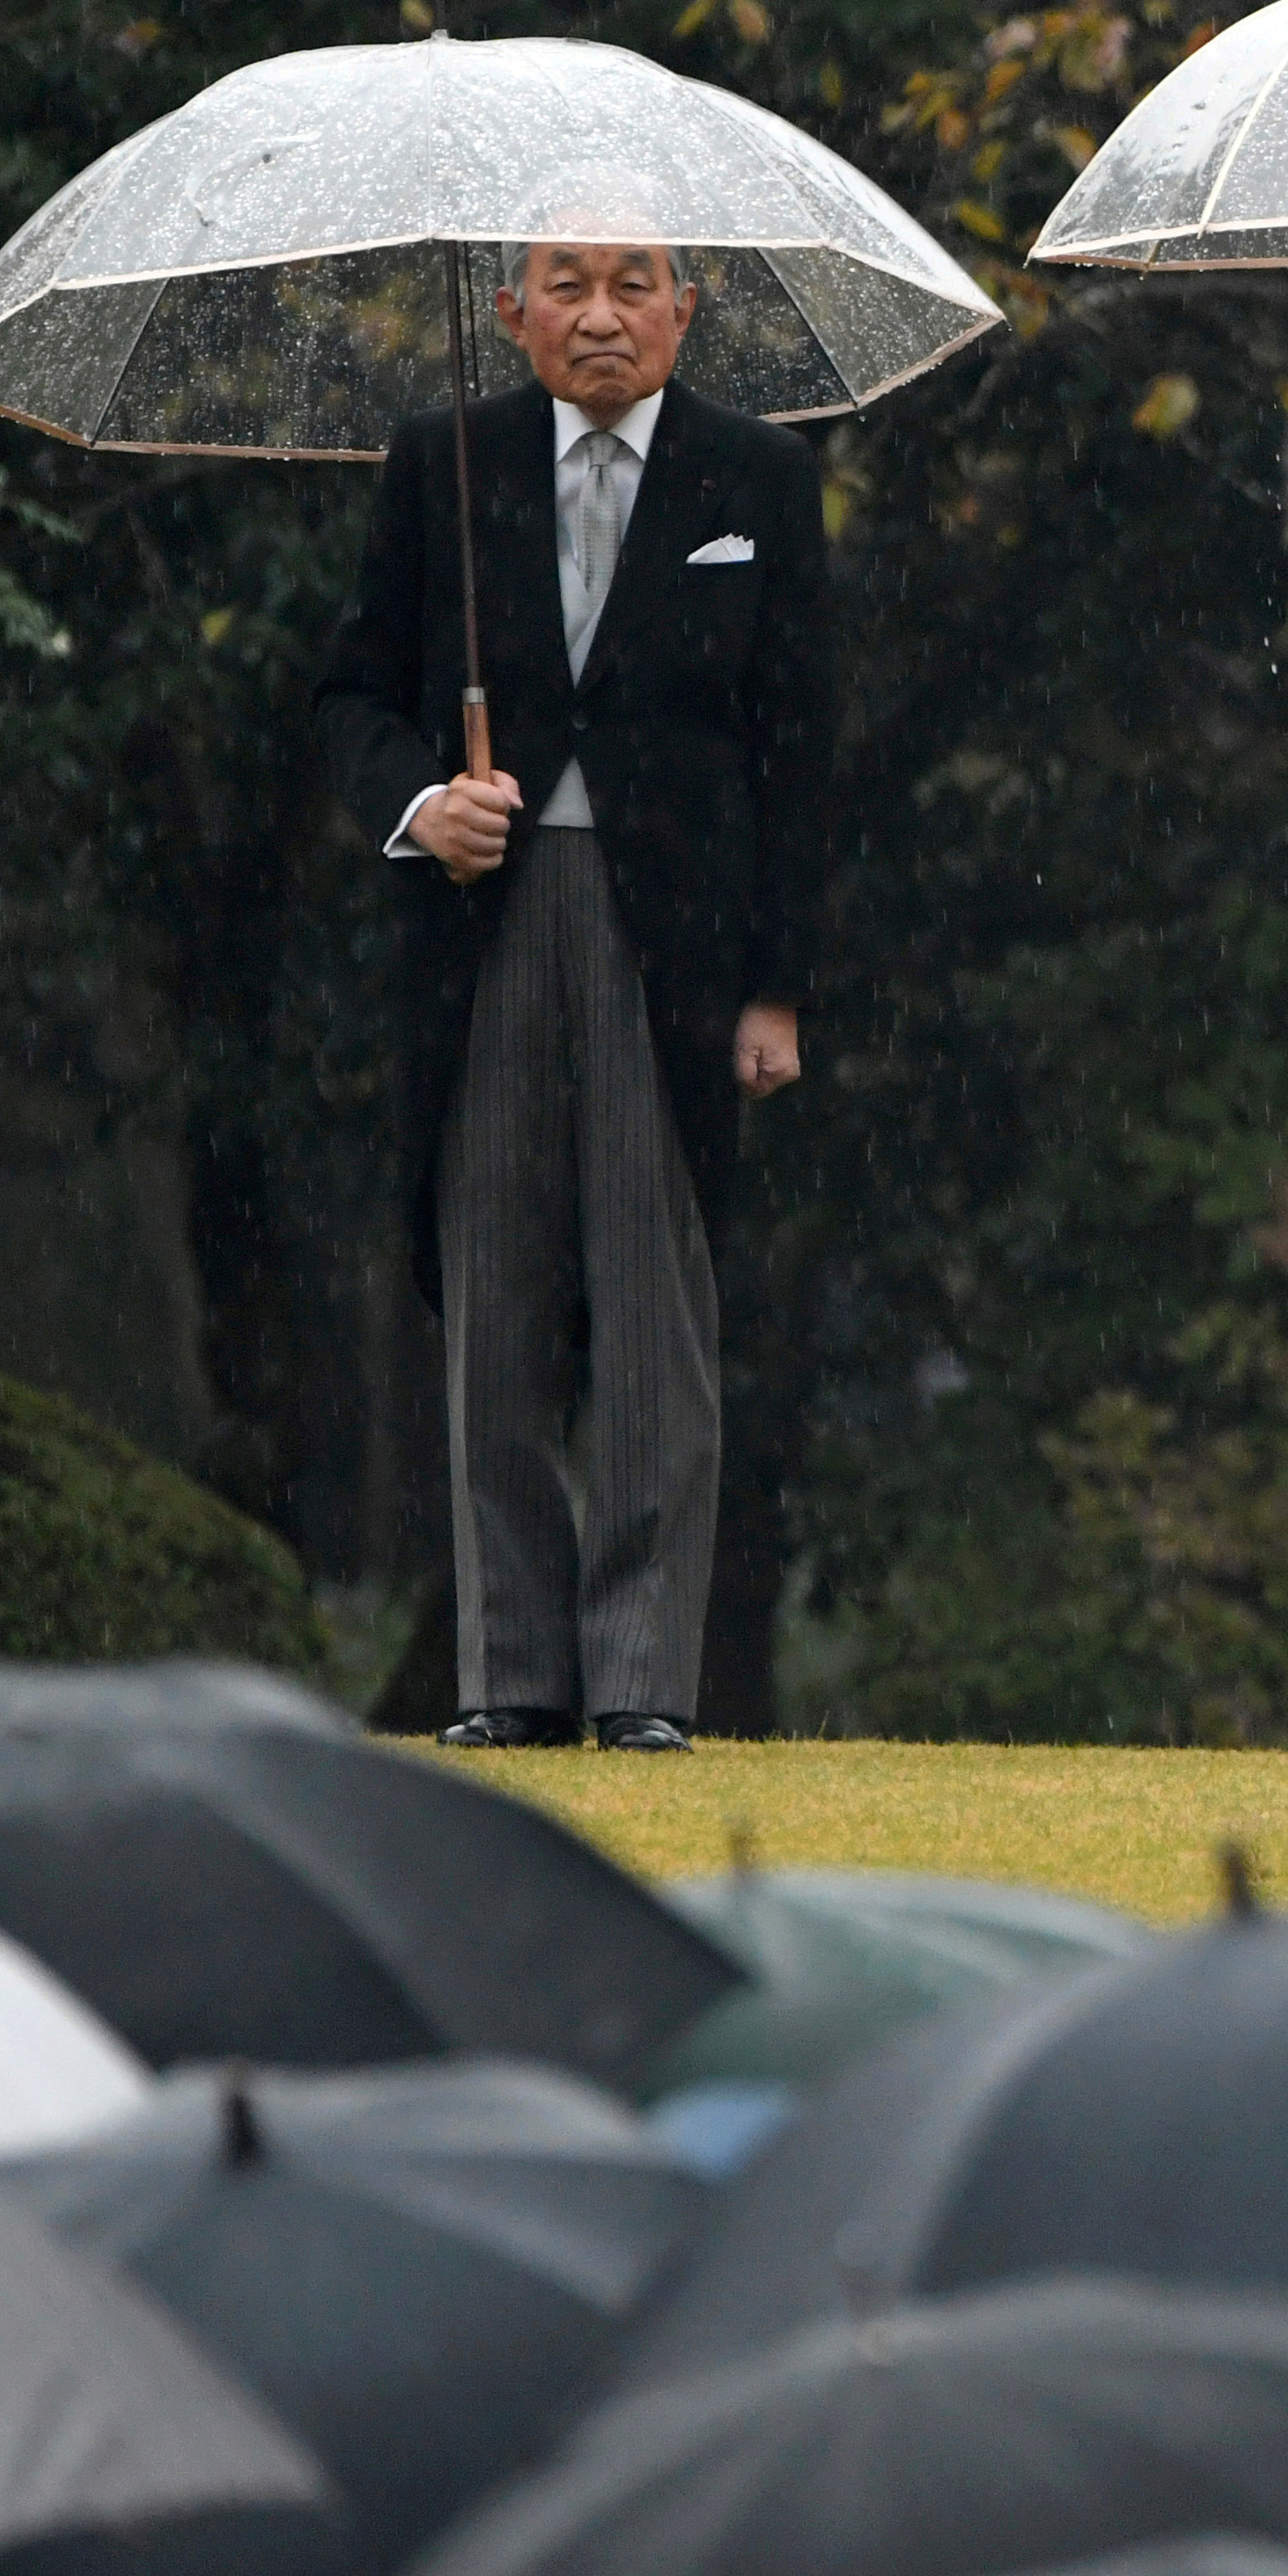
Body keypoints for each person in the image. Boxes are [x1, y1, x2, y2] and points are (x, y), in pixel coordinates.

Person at [312, 238, 834, 1753]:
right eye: (566, 284)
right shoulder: (439, 464)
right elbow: (350, 693)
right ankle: (509, 1675)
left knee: (656, 1301)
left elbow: (801, 752)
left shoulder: (760, 479)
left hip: (680, 946)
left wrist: (778, 990)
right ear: (510, 312)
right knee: (493, 1294)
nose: (600, 315)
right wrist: (423, 803)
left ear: (686, 307)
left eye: (633, 284)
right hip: (485, 926)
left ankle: (644, 1684)